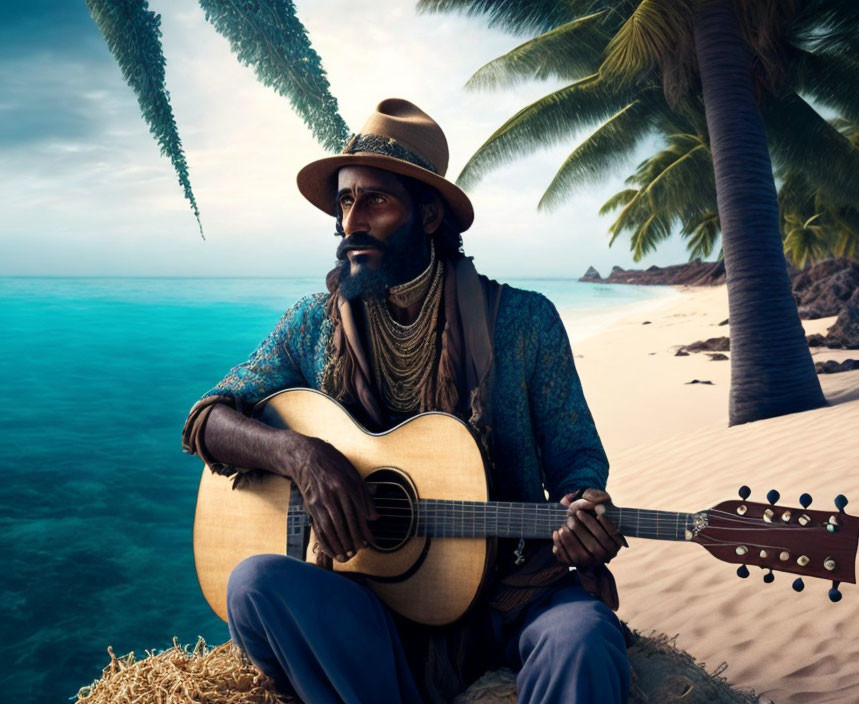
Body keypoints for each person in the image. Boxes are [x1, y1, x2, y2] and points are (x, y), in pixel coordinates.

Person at [182, 98, 631, 704]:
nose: (351, 223)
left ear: (426, 217)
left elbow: (577, 460)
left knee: (583, 637)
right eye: (345, 201)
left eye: (376, 200)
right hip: (375, 602)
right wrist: (302, 457)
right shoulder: (313, 325)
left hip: (512, 589)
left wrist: (585, 508)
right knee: (255, 582)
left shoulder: (523, 321)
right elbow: (209, 419)